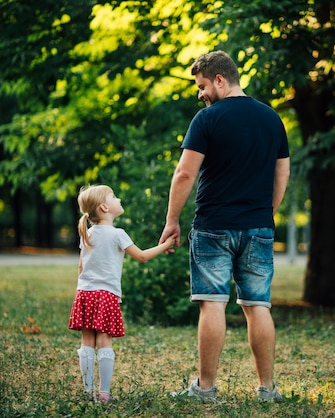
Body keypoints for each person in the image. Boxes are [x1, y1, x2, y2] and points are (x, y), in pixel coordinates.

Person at [159, 50, 290, 402]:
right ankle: (267, 390)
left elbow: (185, 172)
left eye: (202, 86)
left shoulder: (207, 120)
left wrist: (172, 220)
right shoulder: (272, 118)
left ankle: (205, 389)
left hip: (214, 226)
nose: (200, 94)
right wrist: (267, 212)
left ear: (220, 79)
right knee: (257, 304)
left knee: (212, 303)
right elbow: (283, 171)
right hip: (259, 227)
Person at [68, 184, 176, 402]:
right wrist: (167, 245)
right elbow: (142, 256)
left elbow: (81, 267)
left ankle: (88, 391)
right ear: (104, 207)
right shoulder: (118, 234)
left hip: (85, 293)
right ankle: (105, 393)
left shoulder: (87, 233)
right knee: (105, 342)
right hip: (106, 294)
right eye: (114, 197)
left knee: (87, 342)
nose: (119, 199)